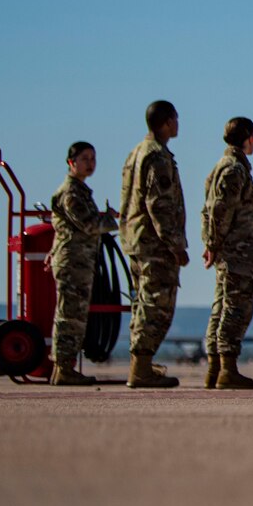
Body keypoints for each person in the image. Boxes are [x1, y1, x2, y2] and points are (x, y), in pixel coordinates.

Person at [119, 100, 188, 389]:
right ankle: (141, 368)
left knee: (143, 303)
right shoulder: (156, 156)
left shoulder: (136, 152)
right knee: (156, 305)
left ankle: (141, 365)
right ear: (167, 122)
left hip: (136, 240)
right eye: (176, 119)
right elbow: (158, 204)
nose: (179, 124)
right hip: (153, 243)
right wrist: (175, 244)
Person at [201, 116, 253, 390]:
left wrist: (211, 243)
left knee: (222, 308)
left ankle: (216, 369)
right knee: (235, 310)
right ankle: (226, 368)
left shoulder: (224, 167)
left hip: (231, 251)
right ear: (249, 137)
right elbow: (219, 211)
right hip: (237, 253)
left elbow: (211, 211)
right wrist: (214, 243)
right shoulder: (233, 170)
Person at [48, 141, 118, 386]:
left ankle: (63, 368)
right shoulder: (72, 193)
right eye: (85, 159)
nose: (90, 163)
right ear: (71, 162)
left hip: (80, 261)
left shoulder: (80, 191)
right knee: (70, 316)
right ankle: (64, 367)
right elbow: (88, 225)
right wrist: (110, 220)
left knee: (73, 314)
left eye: (93, 158)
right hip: (73, 262)